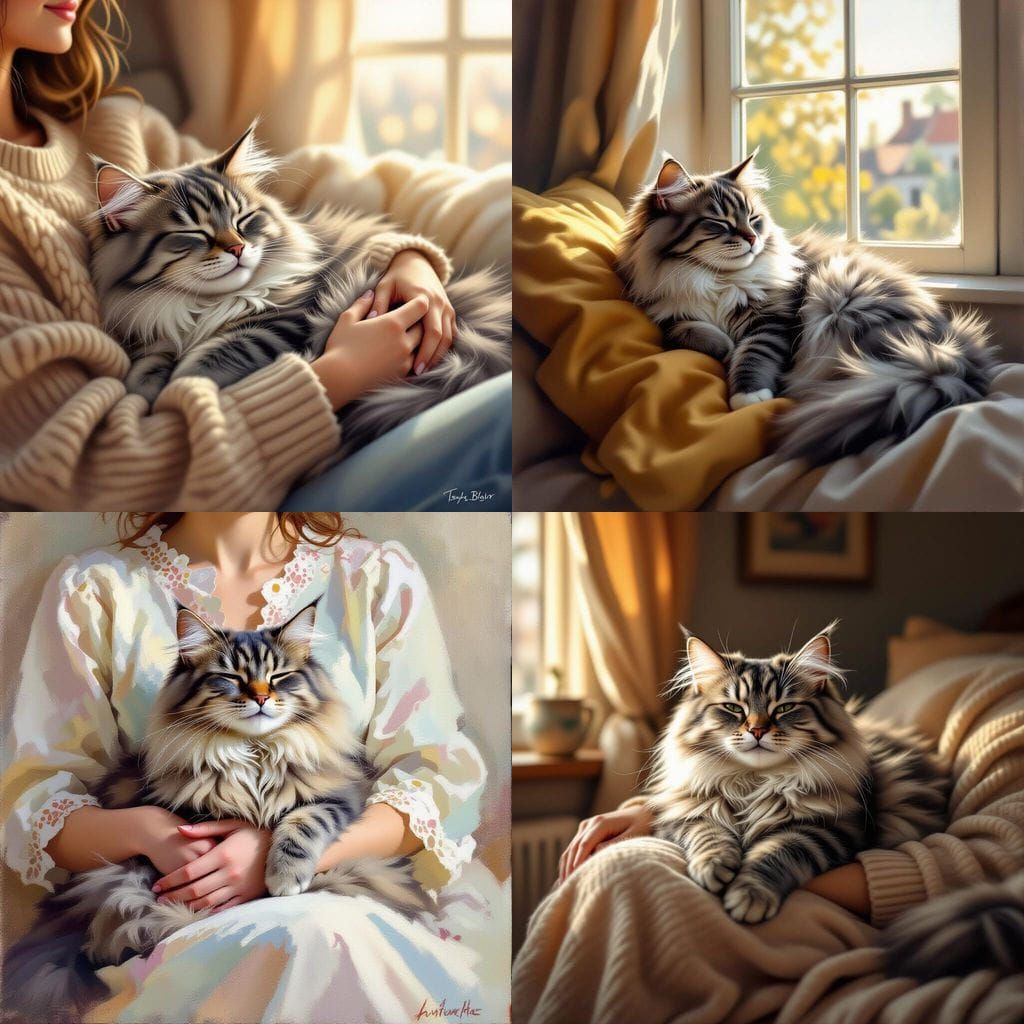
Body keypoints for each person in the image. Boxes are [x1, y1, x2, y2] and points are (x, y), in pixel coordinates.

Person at [0, 0, 511, 510]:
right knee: (512, 422)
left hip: (333, 410)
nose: (233, 247)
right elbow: (98, 477)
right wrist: (339, 375)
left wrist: (407, 259)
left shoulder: (117, 127)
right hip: (244, 488)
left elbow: (299, 195)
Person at [2, 512, 505, 1021]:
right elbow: (35, 799)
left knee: (319, 937)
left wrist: (280, 854)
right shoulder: (97, 587)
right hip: (177, 916)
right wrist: (150, 832)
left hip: (353, 908)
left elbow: (436, 782)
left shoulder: (372, 578)